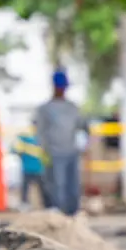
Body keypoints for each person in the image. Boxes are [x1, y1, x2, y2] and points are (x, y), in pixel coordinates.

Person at [34, 70, 85, 216]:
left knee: (72, 187)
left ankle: (72, 215)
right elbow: (40, 132)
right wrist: (45, 151)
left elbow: (82, 128)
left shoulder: (73, 108)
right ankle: (57, 216)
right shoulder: (45, 109)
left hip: (71, 153)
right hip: (54, 154)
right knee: (56, 186)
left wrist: (82, 145)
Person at [11, 129, 49, 210]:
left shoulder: (23, 140)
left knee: (33, 188)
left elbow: (14, 150)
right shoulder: (39, 139)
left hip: (32, 169)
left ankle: (26, 203)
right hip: (35, 169)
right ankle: (47, 205)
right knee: (41, 189)